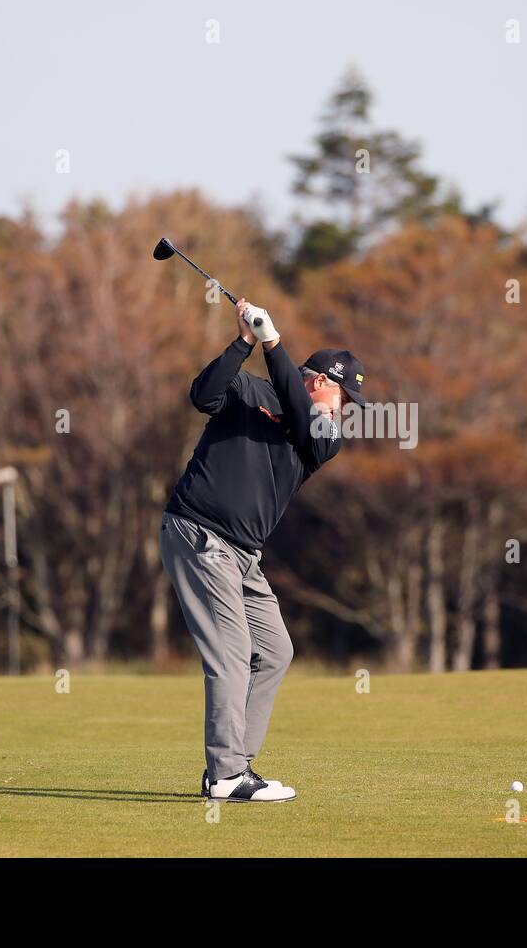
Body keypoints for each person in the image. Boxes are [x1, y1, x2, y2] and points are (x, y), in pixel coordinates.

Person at [159, 297, 365, 802]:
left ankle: (234, 767)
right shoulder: (250, 391)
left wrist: (273, 343)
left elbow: (297, 412)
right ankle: (226, 775)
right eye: (345, 400)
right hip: (200, 533)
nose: (344, 414)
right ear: (321, 382)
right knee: (230, 655)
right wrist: (245, 342)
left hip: (243, 556)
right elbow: (203, 393)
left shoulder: (322, 435)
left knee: (274, 650)